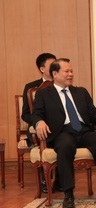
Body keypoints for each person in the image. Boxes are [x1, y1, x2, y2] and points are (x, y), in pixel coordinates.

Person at [31, 58, 96, 208]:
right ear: (55, 73)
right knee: (65, 146)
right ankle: (68, 193)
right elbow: (36, 114)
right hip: (62, 132)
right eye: (67, 71)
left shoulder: (81, 92)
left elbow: (93, 114)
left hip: (83, 130)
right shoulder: (44, 94)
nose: (70, 74)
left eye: (71, 71)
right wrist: (39, 122)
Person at [21, 53, 59, 193]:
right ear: (42, 69)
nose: (56, 67)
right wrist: (38, 122)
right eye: (52, 66)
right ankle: (46, 179)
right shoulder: (31, 87)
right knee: (45, 134)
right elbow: (25, 114)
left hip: (59, 127)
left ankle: (61, 180)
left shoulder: (61, 84)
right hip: (39, 128)